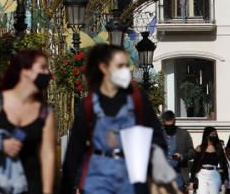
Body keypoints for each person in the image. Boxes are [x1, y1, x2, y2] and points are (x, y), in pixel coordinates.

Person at [60, 43, 170, 194]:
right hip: (97, 178)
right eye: (120, 66)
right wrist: (67, 186)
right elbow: (75, 150)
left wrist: (150, 164)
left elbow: (157, 138)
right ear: (104, 68)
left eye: (126, 66)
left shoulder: (137, 100)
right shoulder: (89, 105)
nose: (125, 71)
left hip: (132, 179)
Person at [0, 49, 57, 194]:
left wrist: (47, 191)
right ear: (25, 71)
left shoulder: (45, 113)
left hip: (30, 185)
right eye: (43, 68)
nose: (48, 73)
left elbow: (47, 154)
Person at [162, 111, 196, 191]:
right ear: (163, 123)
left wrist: (182, 157)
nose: (169, 128)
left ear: (175, 121)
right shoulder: (158, 134)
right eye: (167, 126)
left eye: (171, 126)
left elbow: (192, 152)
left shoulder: (184, 134)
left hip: (179, 176)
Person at [192, 127, 229, 194]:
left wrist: (226, 178)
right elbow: (194, 165)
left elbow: (224, 164)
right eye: (212, 134)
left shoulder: (218, 148)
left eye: (215, 135)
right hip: (202, 174)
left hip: (214, 174)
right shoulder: (200, 148)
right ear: (207, 135)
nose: (214, 136)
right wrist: (191, 180)